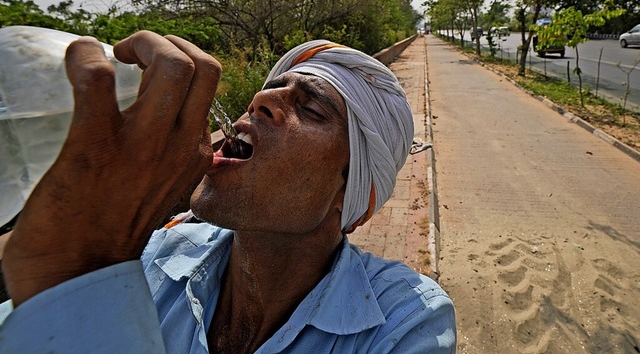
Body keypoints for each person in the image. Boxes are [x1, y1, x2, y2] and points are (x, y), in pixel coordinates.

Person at [0, 31, 456, 353]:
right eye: (272, 88)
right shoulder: (159, 250)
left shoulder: (404, 322)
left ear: (349, 190)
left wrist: (85, 271)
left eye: (312, 108)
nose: (261, 101)